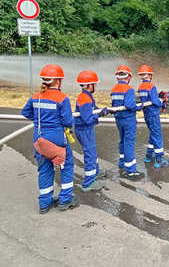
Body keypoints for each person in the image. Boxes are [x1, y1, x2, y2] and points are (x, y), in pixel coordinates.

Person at [21, 64, 79, 214]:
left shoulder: (36, 97)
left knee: (44, 169)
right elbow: (67, 121)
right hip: (57, 138)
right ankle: (65, 200)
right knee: (66, 166)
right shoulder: (62, 98)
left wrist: (39, 120)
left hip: (39, 139)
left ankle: (45, 203)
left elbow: (25, 112)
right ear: (59, 81)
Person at [74, 70, 108, 192]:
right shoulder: (84, 98)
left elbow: (93, 110)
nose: (96, 86)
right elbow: (87, 118)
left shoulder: (87, 96)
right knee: (90, 154)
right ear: (89, 85)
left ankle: (95, 173)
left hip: (85, 129)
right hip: (84, 130)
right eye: (94, 84)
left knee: (92, 152)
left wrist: (102, 111)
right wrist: (100, 115)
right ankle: (88, 183)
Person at [110, 65, 144, 180]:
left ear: (117, 77)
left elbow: (114, 105)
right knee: (129, 142)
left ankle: (122, 162)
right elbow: (129, 105)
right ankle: (131, 171)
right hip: (128, 119)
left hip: (118, 119)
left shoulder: (114, 89)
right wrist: (138, 107)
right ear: (128, 77)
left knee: (122, 140)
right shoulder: (129, 89)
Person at [137, 65, 169, 168]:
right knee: (157, 135)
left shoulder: (140, 87)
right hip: (153, 114)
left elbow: (148, 100)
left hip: (147, 114)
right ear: (150, 75)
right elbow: (155, 102)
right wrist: (162, 101)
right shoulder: (151, 86)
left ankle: (148, 156)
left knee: (153, 134)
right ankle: (159, 160)